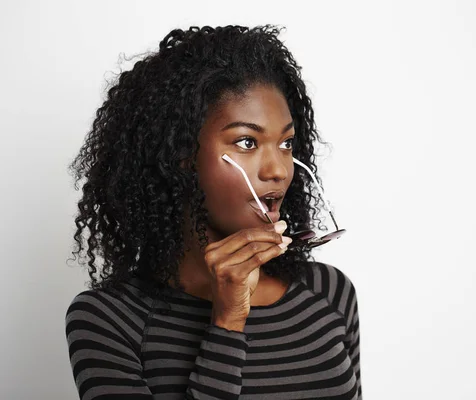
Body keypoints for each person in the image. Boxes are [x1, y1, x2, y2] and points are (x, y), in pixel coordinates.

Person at [65, 25, 361, 399]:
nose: (277, 170)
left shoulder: (328, 292)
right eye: (247, 142)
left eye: (286, 143)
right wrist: (227, 321)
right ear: (180, 156)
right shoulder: (109, 319)